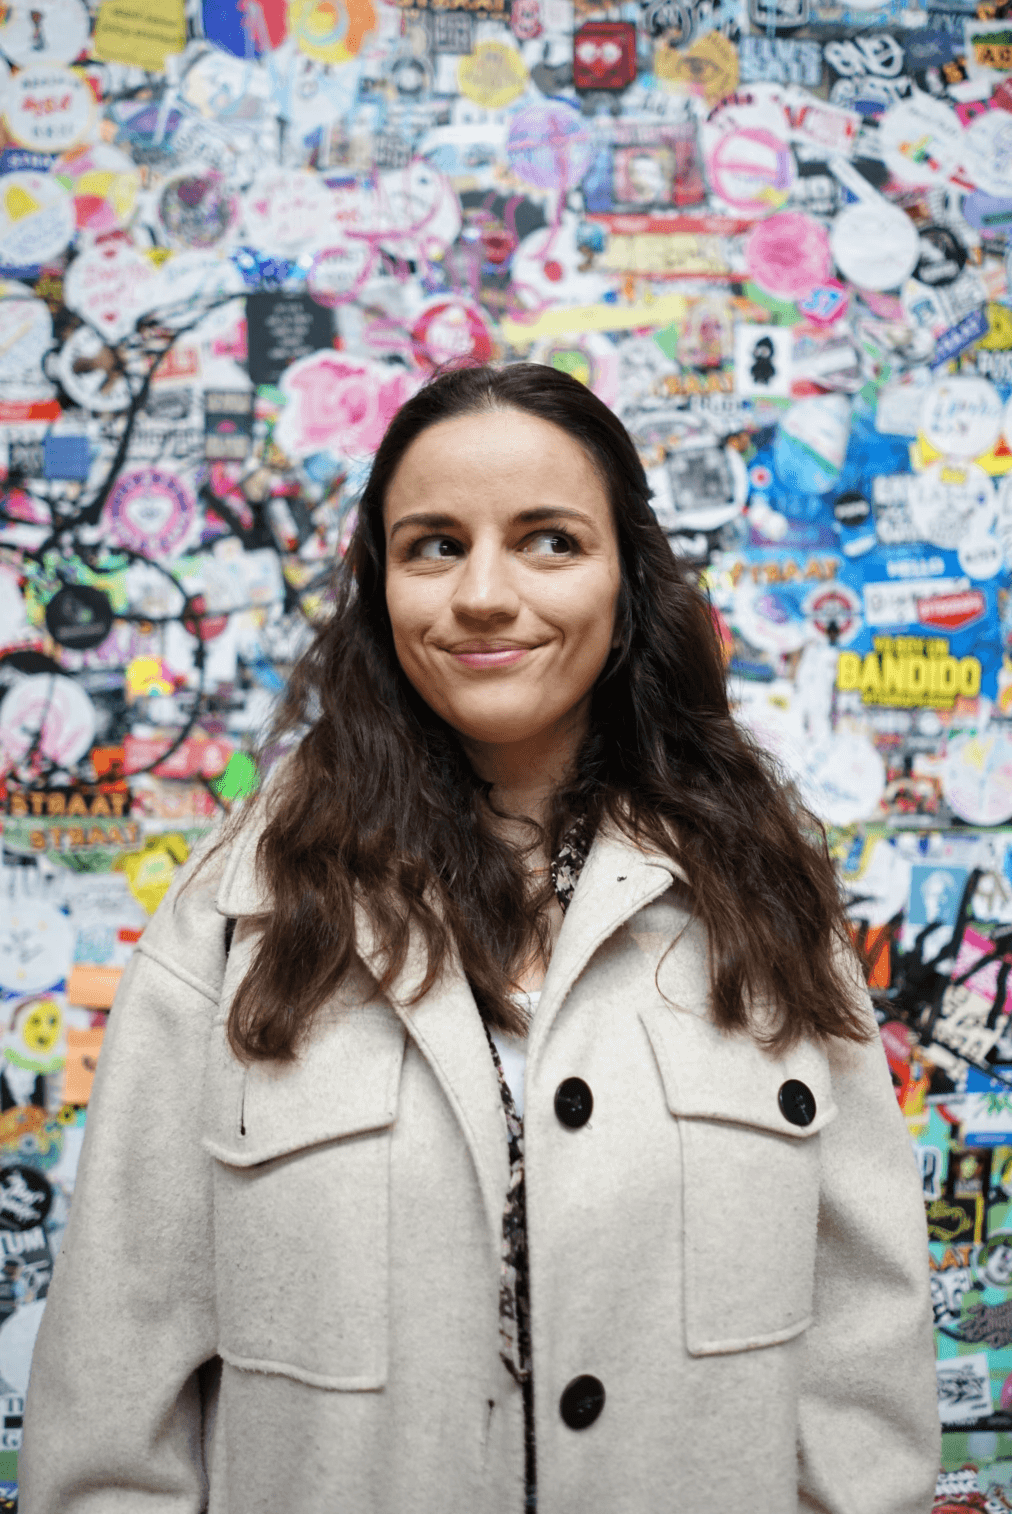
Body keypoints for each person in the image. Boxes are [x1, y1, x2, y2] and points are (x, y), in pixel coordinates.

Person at [21, 363, 939, 1513]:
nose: (485, 594)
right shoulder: (233, 917)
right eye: (434, 545)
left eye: (550, 540)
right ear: (378, 582)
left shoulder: (762, 906)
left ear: (628, 578)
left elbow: (864, 1382)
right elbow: (114, 1414)